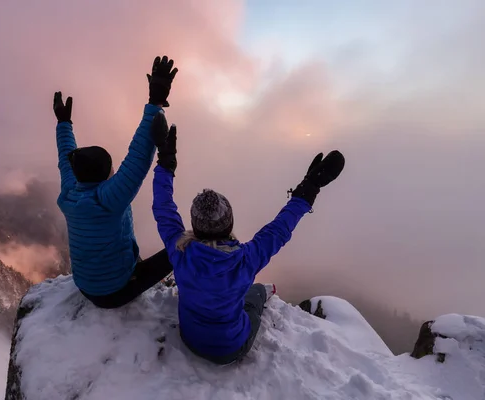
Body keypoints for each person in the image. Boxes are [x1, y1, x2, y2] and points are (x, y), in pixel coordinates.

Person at [150, 113, 345, 364]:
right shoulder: (245, 259)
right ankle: (267, 291)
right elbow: (279, 229)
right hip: (231, 348)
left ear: (195, 226)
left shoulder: (179, 250)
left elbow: (162, 206)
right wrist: (309, 188)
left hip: (190, 339)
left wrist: (165, 162)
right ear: (229, 223)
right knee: (254, 296)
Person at [53, 55, 179, 309]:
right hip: (114, 291)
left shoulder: (70, 192)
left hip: (85, 285)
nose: (115, 171)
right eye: (111, 168)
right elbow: (137, 158)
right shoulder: (107, 199)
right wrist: (155, 102)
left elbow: (66, 158)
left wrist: (63, 124)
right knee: (183, 250)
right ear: (105, 174)